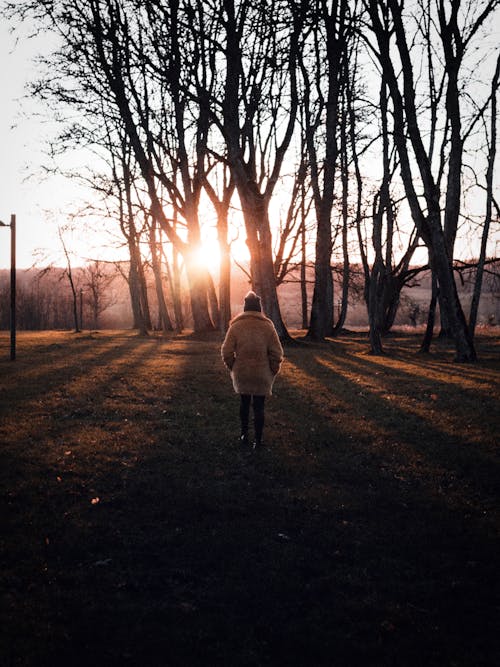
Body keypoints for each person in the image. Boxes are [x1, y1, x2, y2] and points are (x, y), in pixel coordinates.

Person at [221, 291, 284, 449]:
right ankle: (258, 439)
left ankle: (244, 435)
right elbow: (277, 353)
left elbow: (226, 351)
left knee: (244, 404)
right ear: (259, 308)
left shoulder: (236, 326)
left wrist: (233, 367)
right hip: (262, 375)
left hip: (242, 373)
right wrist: (272, 371)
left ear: (245, 307)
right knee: (259, 406)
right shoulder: (268, 327)